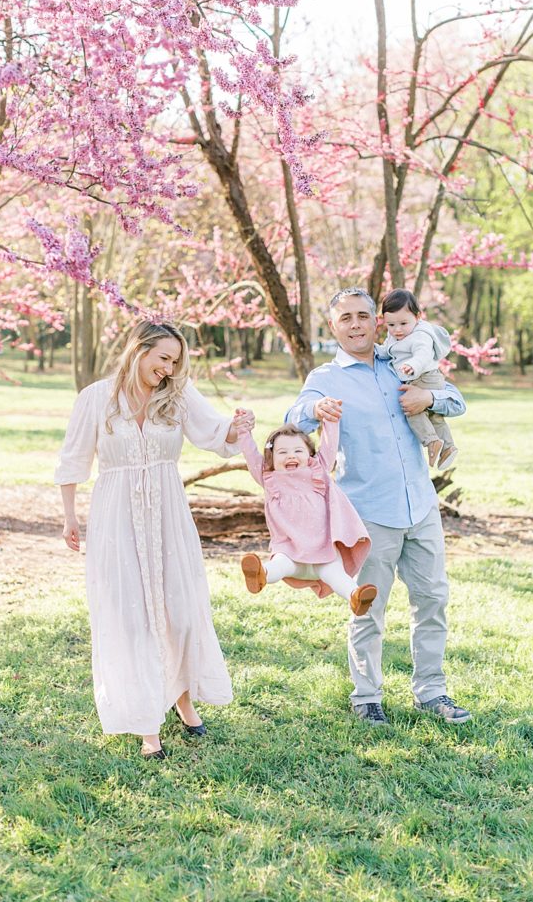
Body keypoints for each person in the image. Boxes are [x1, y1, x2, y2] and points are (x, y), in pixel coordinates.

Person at [55, 320, 255, 759]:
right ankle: (148, 725)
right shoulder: (96, 398)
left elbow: (216, 433)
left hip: (168, 512)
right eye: (163, 358)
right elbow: (73, 456)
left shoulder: (177, 395)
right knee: (131, 616)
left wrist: (240, 426)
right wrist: (70, 516)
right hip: (116, 514)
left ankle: (182, 698)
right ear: (138, 349)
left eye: (176, 361)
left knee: (179, 612)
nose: (168, 368)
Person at [286, 286, 471, 726]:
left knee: (432, 601)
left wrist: (429, 399)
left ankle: (432, 691)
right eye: (345, 318)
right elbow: (295, 418)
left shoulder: (403, 364)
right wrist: (318, 406)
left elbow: (457, 401)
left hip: (421, 506)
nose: (355, 325)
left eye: (363, 316)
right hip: (369, 512)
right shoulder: (326, 378)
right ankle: (367, 695)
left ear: (377, 321)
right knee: (368, 605)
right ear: (333, 327)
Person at [233, 416, 377, 616]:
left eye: (298, 451)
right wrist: (243, 431)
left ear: (310, 455)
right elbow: (250, 454)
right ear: (271, 458)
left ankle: (355, 596)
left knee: (336, 574)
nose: (290, 456)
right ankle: (260, 575)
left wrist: (331, 420)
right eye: (282, 452)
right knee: (279, 564)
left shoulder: (319, 471)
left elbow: (329, 446)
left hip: (324, 550)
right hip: (290, 549)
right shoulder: (269, 477)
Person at [376, 288, 458, 471]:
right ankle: (448, 446)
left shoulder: (421, 335)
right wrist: (375, 350)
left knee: (412, 409)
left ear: (418, 317)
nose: (397, 330)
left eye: (403, 323)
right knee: (435, 417)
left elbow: (422, 354)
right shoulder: (394, 335)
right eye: (391, 325)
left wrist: (413, 365)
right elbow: (387, 350)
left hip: (425, 376)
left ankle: (431, 441)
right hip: (422, 377)